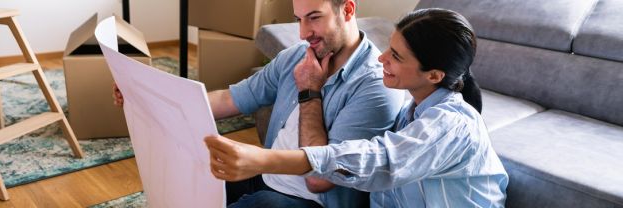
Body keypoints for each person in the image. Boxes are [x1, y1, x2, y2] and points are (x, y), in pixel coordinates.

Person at [204, 8, 509, 208]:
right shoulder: (411, 113)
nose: (381, 59)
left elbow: (377, 161)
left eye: (397, 57)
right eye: (389, 47)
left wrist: (263, 159)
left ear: (434, 76)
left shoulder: (452, 126)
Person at [113, 0, 405, 207]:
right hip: (266, 175)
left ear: (348, 9)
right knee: (182, 182)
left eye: (314, 17)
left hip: (310, 199)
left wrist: (309, 92)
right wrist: (146, 97)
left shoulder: (377, 86)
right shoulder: (295, 56)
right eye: (298, 19)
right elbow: (230, 99)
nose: (304, 33)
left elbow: (319, 179)